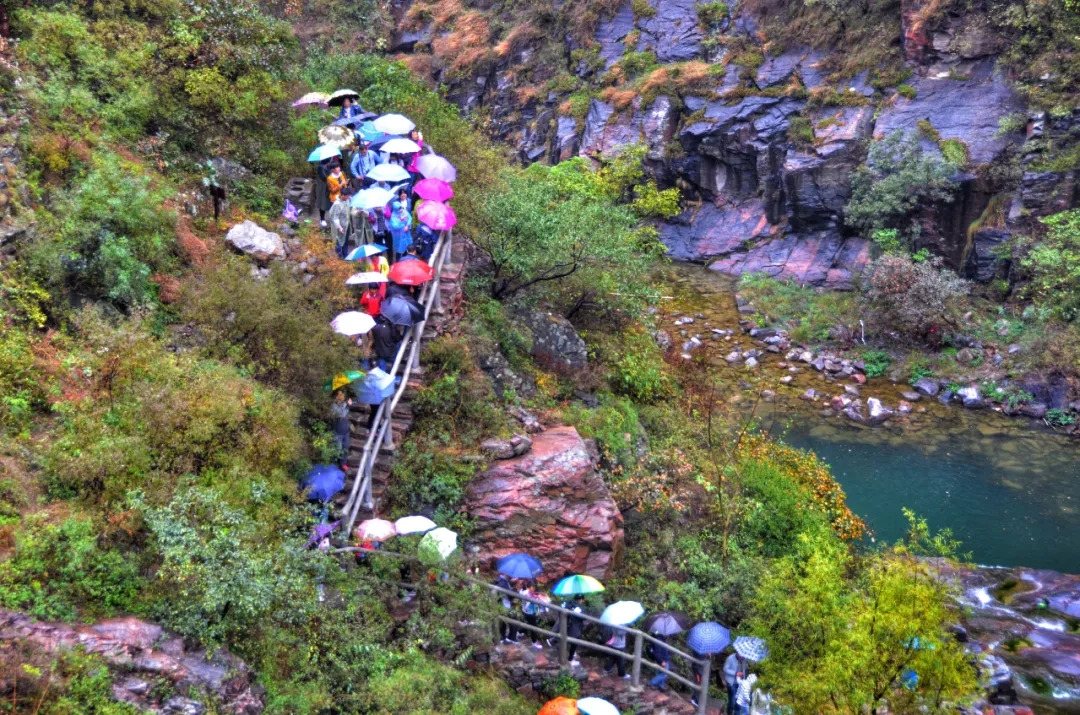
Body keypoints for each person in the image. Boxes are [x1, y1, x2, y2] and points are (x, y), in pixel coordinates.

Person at [548, 594, 585, 666]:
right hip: (575, 628)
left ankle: (554, 640)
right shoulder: (579, 608)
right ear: (581, 600)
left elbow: (560, 611)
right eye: (582, 600)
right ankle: (570, 659)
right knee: (575, 642)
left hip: (566, 626)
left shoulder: (567, 603)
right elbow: (583, 618)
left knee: (565, 637)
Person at [328, 187, 352, 258]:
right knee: (339, 242)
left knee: (345, 241)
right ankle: (339, 256)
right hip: (340, 227)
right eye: (347, 196)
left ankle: (345, 254)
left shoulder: (347, 201)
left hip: (346, 224)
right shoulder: (337, 204)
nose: (348, 197)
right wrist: (339, 227)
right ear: (343, 195)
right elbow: (335, 217)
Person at [519, 582, 544, 649]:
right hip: (530, 612)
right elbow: (532, 600)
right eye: (533, 587)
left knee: (528, 624)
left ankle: (519, 632)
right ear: (530, 587)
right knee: (534, 627)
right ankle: (534, 642)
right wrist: (539, 599)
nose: (534, 589)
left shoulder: (523, 591)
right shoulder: (527, 594)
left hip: (525, 611)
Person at [329, 390, 352, 465]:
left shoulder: (344, 403)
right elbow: (341, 415)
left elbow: (346, 414)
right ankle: (333, 465)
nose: (343, 396)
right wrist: (348, 406)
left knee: (346, 448)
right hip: (337, 432)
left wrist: (348, 405)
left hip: (346, 431)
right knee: (337, 449)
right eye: (340, 395)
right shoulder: (333, 406)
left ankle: (343, 464)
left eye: (343, 394)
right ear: (336, 397)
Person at [495, 573, 517, 644]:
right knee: (514, 618)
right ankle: (511, 638)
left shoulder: (501, 580)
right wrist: (516, 589)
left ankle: (502, 637)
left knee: (503, 622)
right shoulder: (503, 583)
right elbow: (510, 595)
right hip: (504, 605)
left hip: (501, 605)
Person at [314, 157, 335, 226]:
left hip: (328, 187)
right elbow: (324, 177)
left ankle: (330, 218)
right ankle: (322, 219)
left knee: (330, 203)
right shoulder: (321, 167)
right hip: (323, 188)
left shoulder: (327, 166)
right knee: (323, 203)